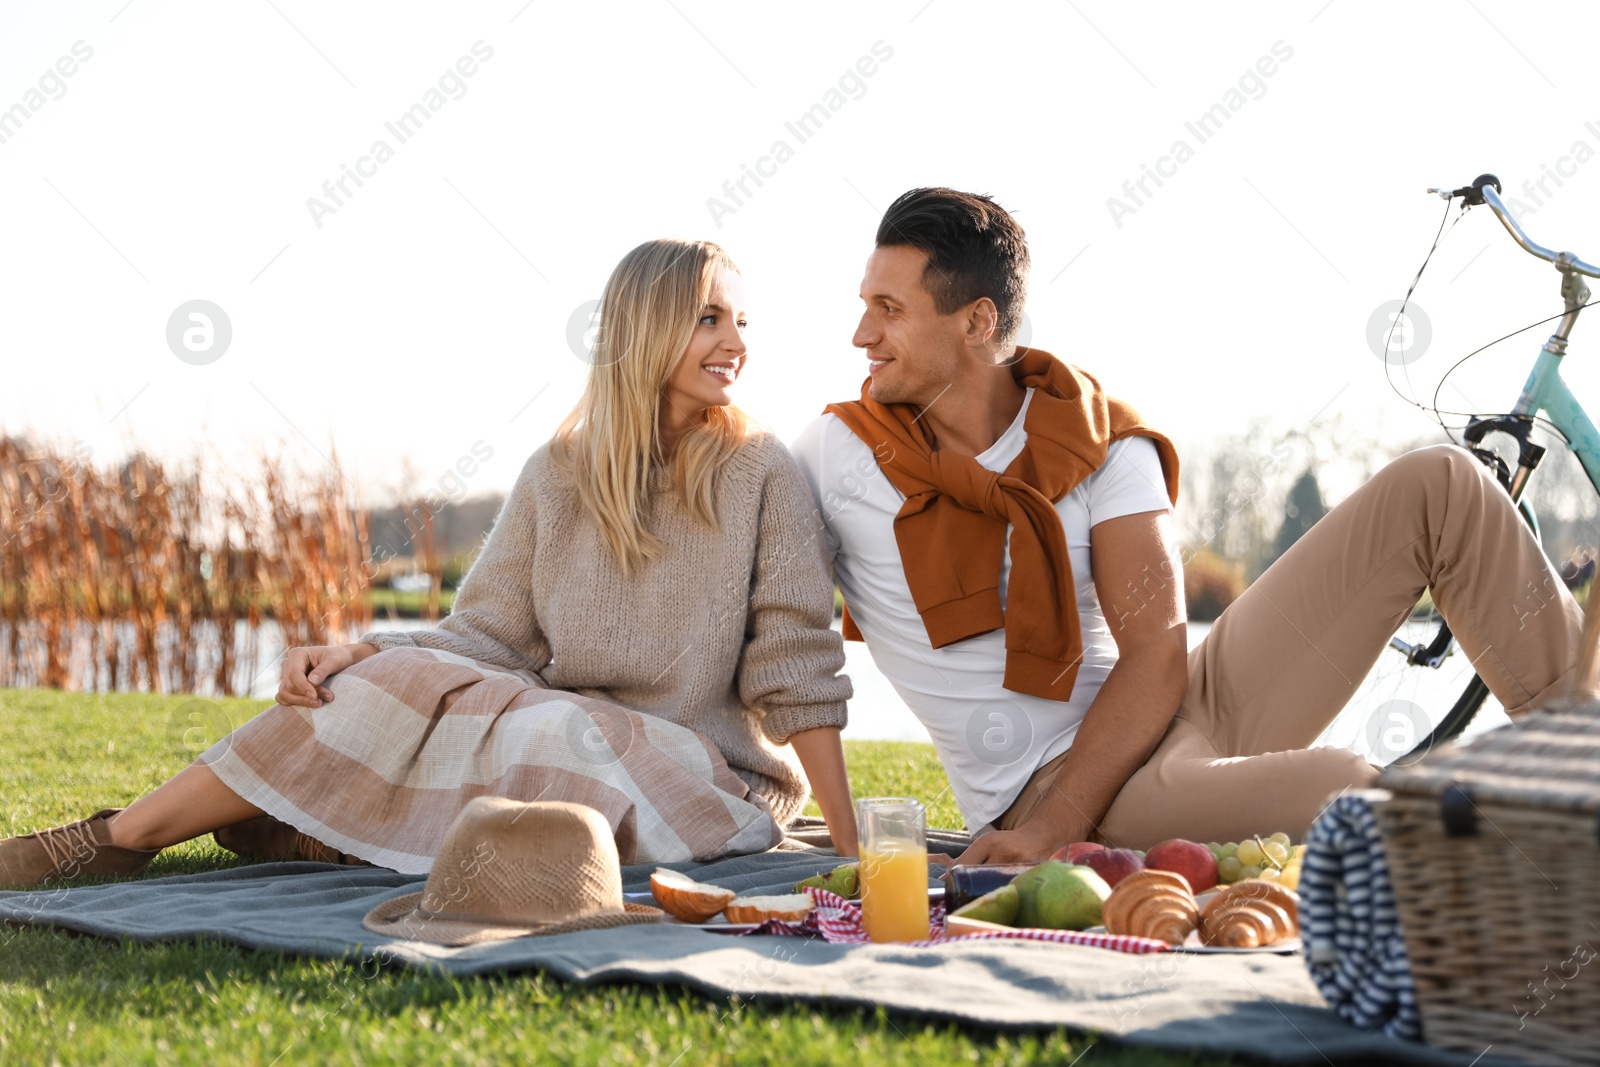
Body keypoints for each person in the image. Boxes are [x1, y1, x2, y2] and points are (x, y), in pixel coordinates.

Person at [1, 238, 858, 890]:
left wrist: (851, 843)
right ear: (648, 327)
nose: (735, 340)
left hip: (709, 778)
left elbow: (797, 667)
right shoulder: (559, 473)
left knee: (550, 731)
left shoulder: (763, 472)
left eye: (741, 320)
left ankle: (323, 832)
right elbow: (486, 635)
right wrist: (360, 656)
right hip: (576, 732)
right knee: (385, 688)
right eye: (710, 317)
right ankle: (115, 837)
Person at [790, 186, 1586, 862]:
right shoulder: (837, 455)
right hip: (1059, 782)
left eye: (888, 310)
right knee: (1342, 787)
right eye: (865, 307)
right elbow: (765, 617)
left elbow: (1157, 655)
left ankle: (1580, 770)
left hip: (1182, 704)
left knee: (1440, 483)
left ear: (976, 321)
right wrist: (1046, 822)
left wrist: (1052, 835)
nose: (862, 335)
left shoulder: (1093, 435)